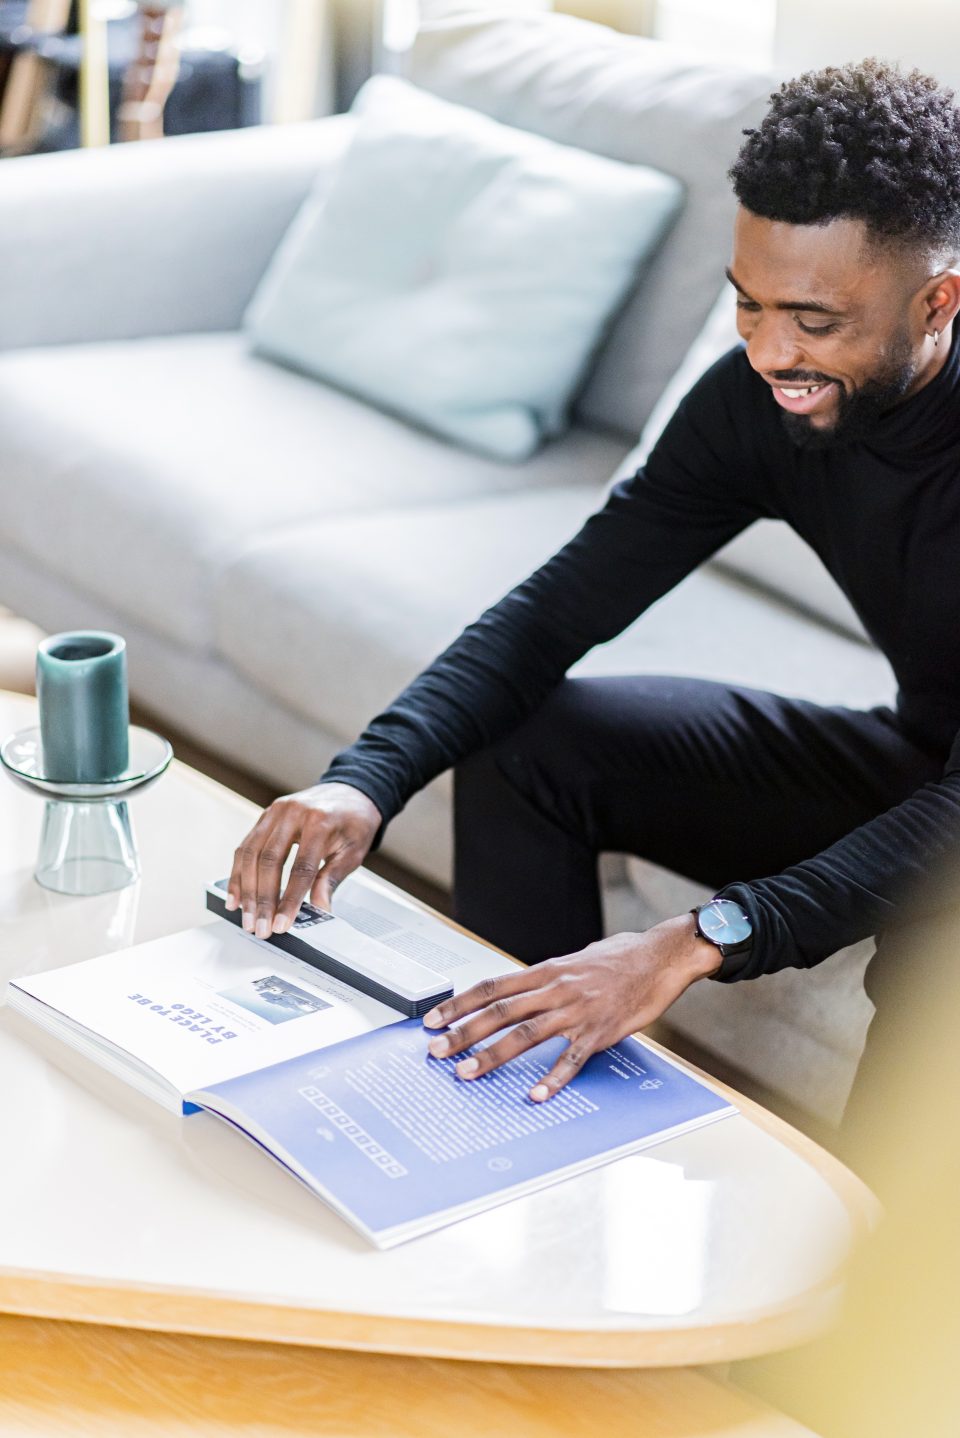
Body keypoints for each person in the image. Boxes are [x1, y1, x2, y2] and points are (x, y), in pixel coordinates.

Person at [227, 59, 960, 1148]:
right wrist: (364, 779)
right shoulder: (757, 401)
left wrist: (701, 936)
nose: (768, 352)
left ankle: (885, 1296)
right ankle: (514, 1115)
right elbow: (554, 612)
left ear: (939, 299)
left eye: (811, 319)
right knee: (537, 742)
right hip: (924, 761)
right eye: (748, 304)